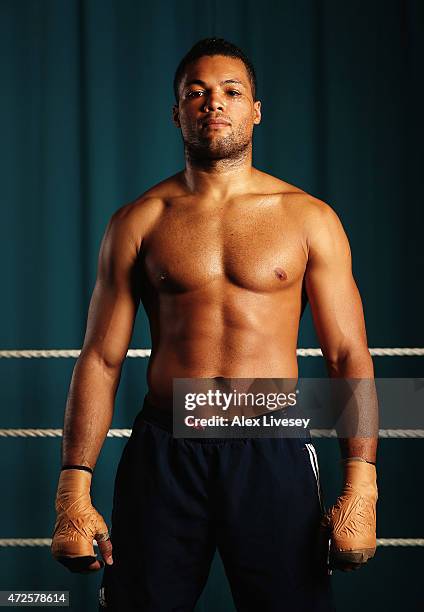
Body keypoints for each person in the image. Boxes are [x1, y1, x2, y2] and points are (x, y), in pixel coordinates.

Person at [51, 38, 378, 611]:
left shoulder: (308, 217)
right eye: (195, 93)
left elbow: (348, 356)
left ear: (256, 108)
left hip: (271, 444)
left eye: (231, 91)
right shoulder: (138, 221)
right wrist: (73, 486)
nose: (213, 103)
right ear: (177, 112)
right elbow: (100, 360)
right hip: (165, 447)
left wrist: (362, 483)